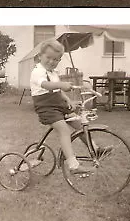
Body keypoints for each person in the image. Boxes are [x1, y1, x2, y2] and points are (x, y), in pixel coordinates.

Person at [29, 40, 110, 174]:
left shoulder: (53, 73)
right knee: (64, 131)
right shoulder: (37, 71)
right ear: (40, 56)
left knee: (79, 124)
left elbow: (58, 91)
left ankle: (95, 150)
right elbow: (46, 85)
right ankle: (73, 165)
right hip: (46, 108)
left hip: (58, 105)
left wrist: (69, 101)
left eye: (56, 59)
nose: (51, 61)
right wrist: (61, 84)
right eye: (48, 58)